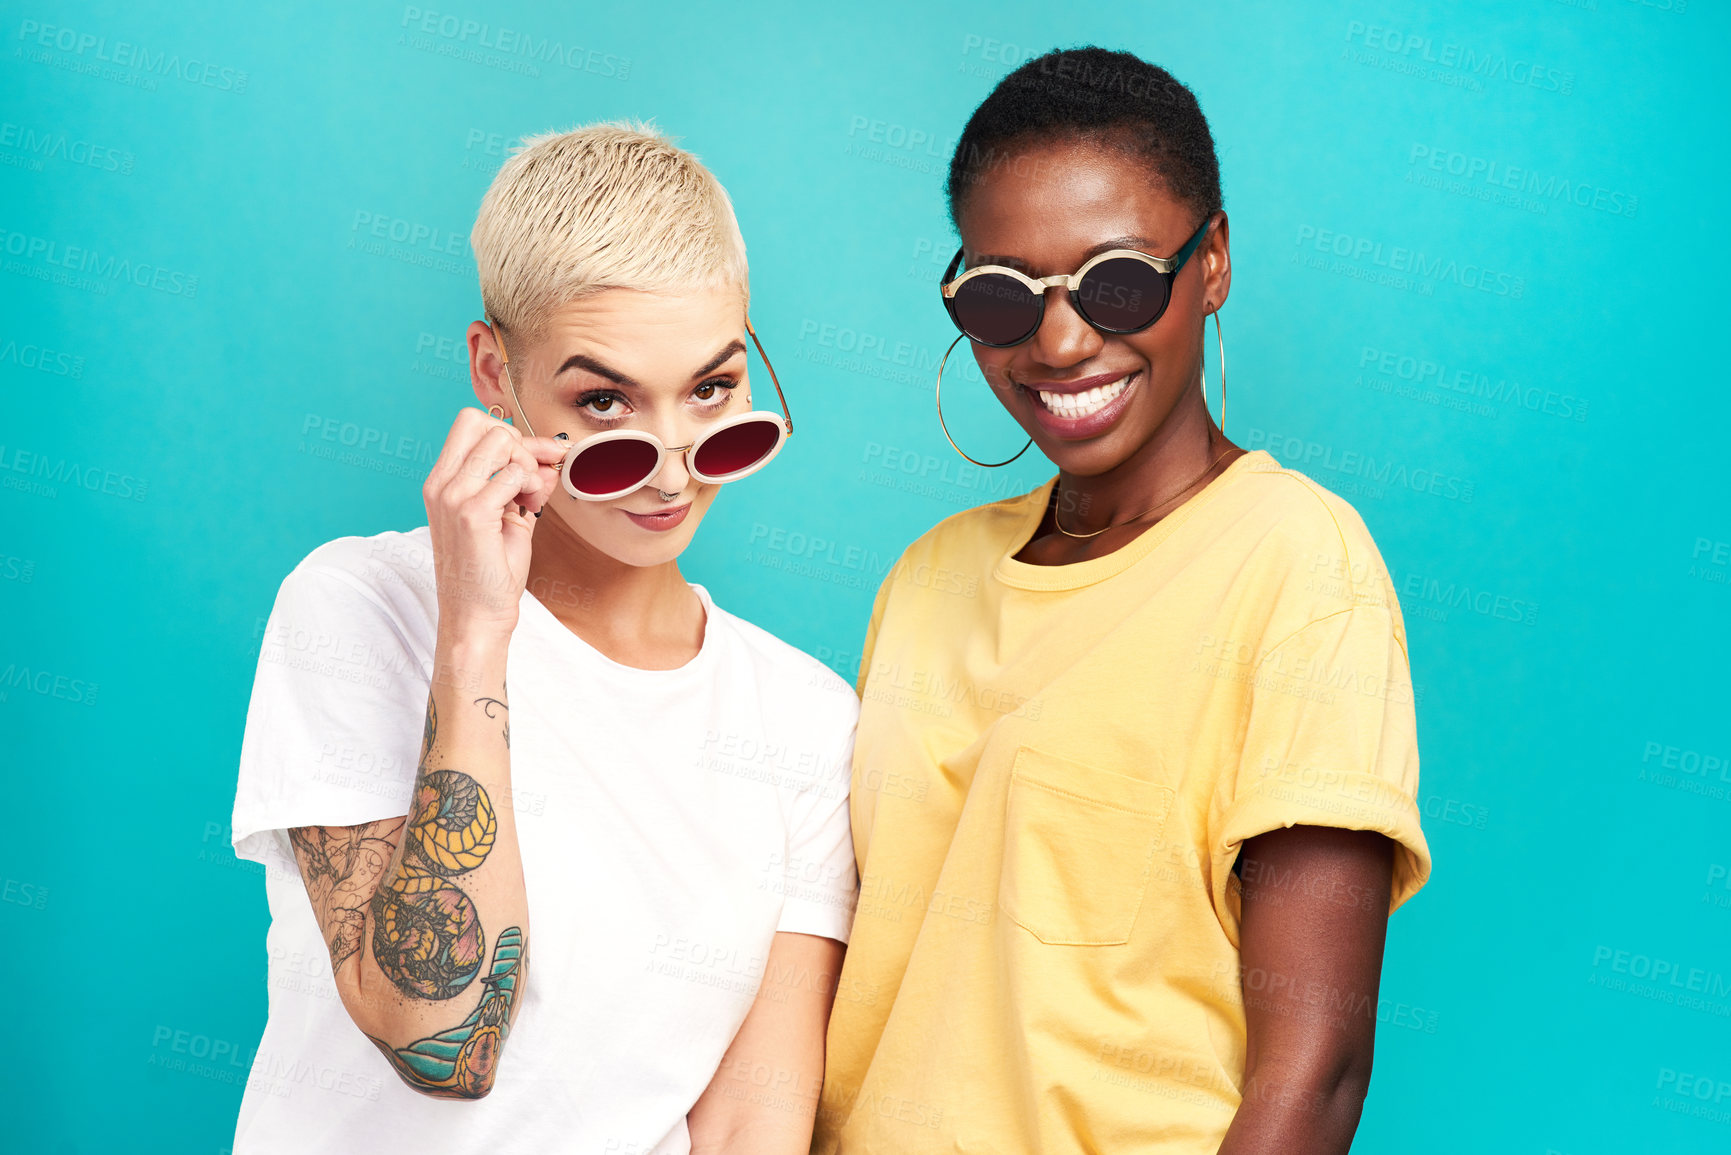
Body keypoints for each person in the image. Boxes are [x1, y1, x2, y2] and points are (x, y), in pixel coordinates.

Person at [815, 48, 1432, 1154]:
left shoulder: (1296, 562)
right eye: (1004, 297)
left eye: (1117, 283)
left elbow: (1316, 1075)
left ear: (1213, 263)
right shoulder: (928, 577)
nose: (1058, 343)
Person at [231, 123, 858, 1155]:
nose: (669, 467)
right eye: (604, 401)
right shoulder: (357, 608)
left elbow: (754, 1117)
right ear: (495, 371)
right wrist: (477, 635)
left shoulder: (804, 719)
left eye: (711, 390)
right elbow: (438, 1040)